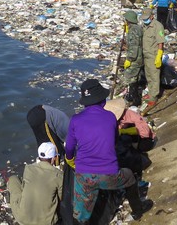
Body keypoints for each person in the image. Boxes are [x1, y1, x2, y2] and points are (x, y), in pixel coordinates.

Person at [65, 79, 153, 222]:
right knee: (129, 176)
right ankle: (137, 210)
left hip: (84, 176)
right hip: (108, 175)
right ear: (102, 100)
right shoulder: (110, 117)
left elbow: (69, 148)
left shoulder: (75, 119)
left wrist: (70, 160)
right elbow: (113, 142)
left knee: (80, 214)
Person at [7, 142, 64, 225]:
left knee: (13, 179)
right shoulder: (58, 175)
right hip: (47, 222)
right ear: (53, 158)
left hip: (23, 219)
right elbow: (61, 198)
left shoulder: (29, 169)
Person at [140, 8, 165, 107]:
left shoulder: (158, 26)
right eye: (143, 18)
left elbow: (160, 42)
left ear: (152, 16)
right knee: (148, 75)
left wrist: (159, 55)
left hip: (153, 55)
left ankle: (154, 97)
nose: (145, 20)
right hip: (145, 54)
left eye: (146, 18)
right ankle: (150, 92)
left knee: (154, 76)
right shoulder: (144, 26)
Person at [122, 10, 144, 106]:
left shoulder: (133, 30)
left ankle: (134, 100)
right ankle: (134, 98)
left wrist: (129, 59)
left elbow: (134, 46)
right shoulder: (138, 28)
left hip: (135, 58)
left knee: (130, 79)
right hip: (140, 56)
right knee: (135, 78)